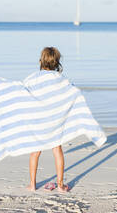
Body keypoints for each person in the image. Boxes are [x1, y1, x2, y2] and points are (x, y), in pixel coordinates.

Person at [26, 47, 70, 193]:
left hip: (38, 119)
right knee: (57, 149)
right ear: (57, 63)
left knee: (35, 152)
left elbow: (24, 94)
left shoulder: (32, 78)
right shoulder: (61, 79)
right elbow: (70, 95)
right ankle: (60, 185)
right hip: (55, 119)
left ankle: (32, 184)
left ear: (41, 60)